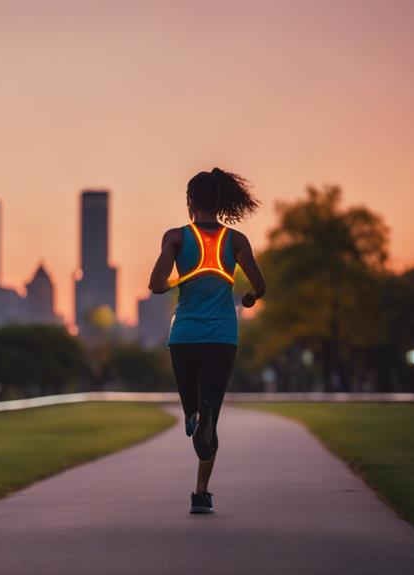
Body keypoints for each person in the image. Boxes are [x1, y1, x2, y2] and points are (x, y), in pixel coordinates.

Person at [148, 167, 266, 515]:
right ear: (220, 202)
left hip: (184, 337)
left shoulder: (176, 237)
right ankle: (201, 493)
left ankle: (196, 420)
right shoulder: (237, 240)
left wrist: (176, 281)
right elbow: (260, 286)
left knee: (195, 416)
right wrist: (250, 298)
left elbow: (156, 284)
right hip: (221, 338)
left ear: (189, 202)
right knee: (210, 411)